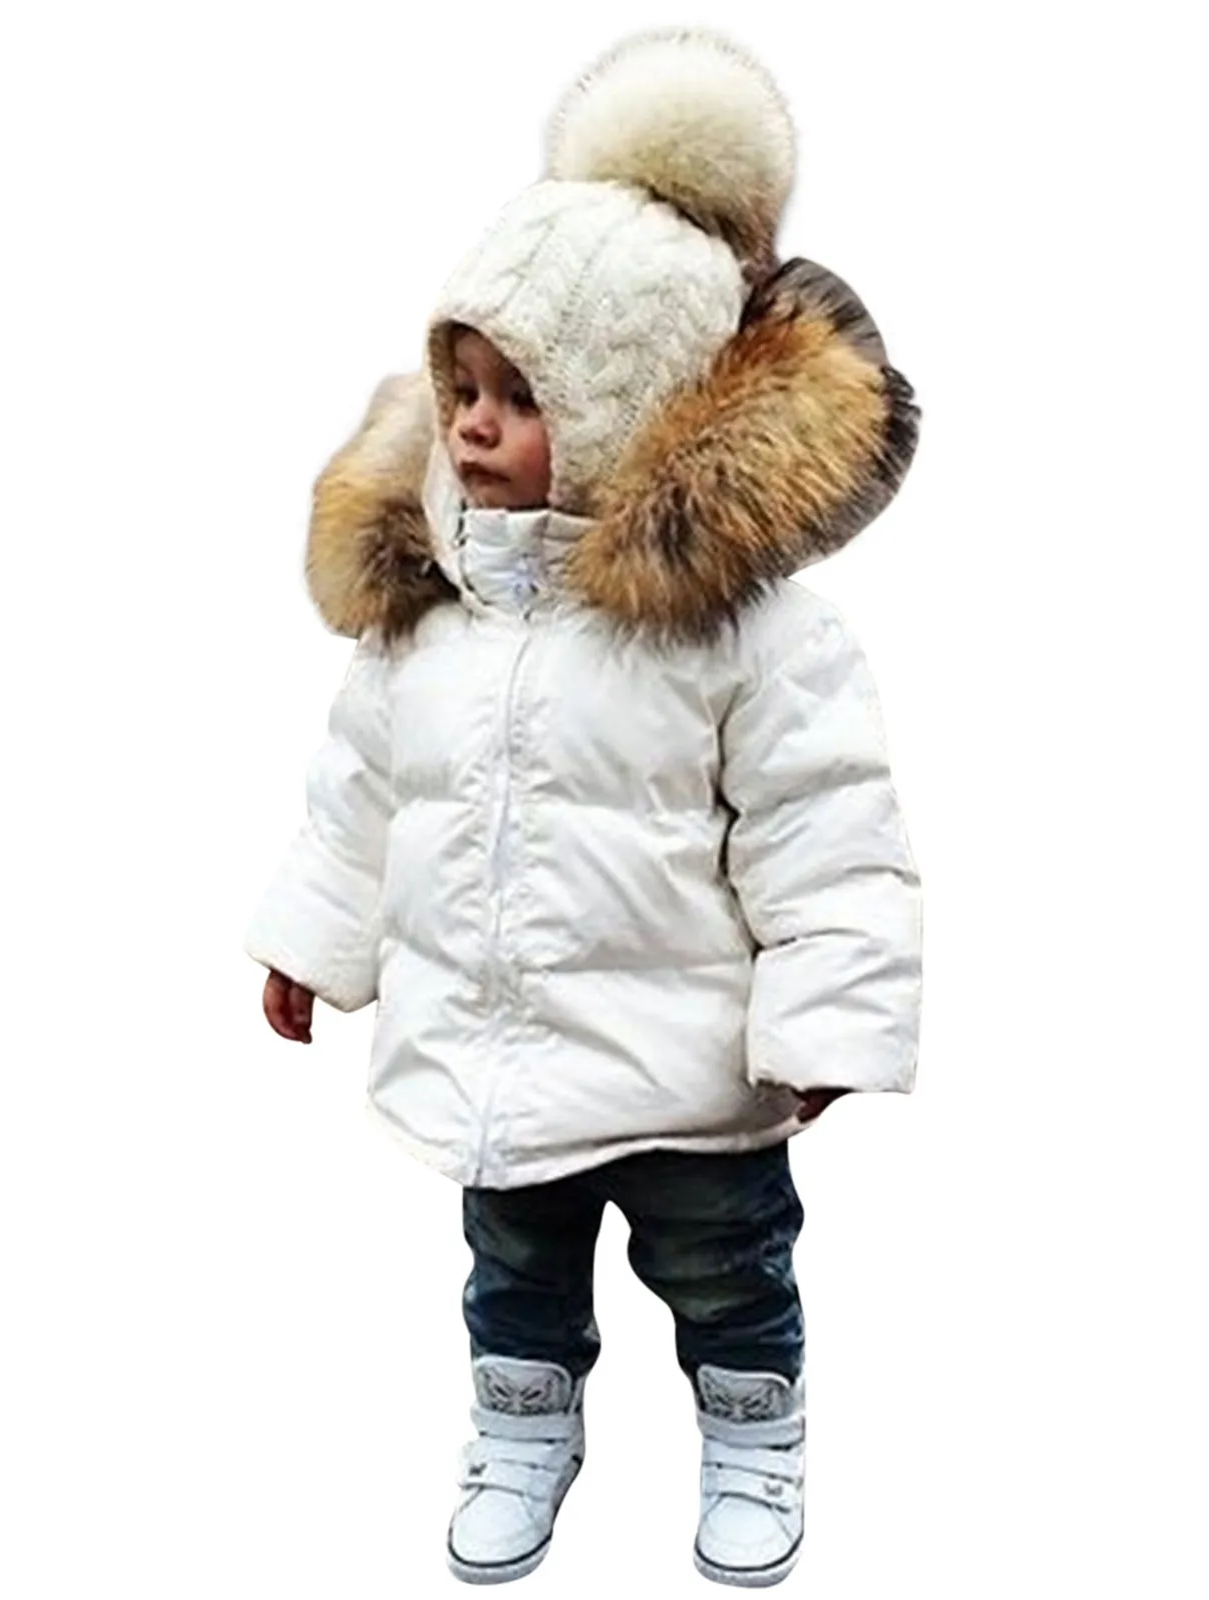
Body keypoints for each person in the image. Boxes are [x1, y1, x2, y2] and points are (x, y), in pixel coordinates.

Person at [245, 27, 922, 1588]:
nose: (471, 426)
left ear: (625, 403)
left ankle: (752, 1429)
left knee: (728, 1272)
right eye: (460, 388)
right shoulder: (432, 620)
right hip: (495, 1062)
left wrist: (827, 1022)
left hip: (689, 1075)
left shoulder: (747, 635)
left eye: (519, 395)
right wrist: (312, 940)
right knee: (513, 1279)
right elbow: (362, 797)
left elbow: (830, 836)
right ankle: (523, 1423)